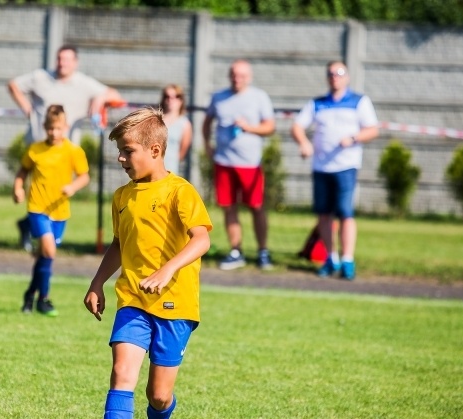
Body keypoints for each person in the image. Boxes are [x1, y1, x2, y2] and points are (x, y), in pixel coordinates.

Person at [84, 107, 212, 419]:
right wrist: (97, 282)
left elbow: (202, 239)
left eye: (127, 151)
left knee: (158, 394)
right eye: (120, 152)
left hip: (176, 306)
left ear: (155, 150)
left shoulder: (180, 191)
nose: (121, 159)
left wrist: (168, 269)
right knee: (122, 373)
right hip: (133, 301)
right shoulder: (122, 197)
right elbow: (120, 244)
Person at [8, 45, 121, 253]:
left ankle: (30, 228)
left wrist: (100, 99)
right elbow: (13, 85)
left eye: (67, 60)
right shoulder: (41, 77)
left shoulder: (84, 83)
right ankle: (41, 239)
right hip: (39, 147)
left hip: (65, 151)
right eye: (59, 59)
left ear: (75, 62)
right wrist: (28, 110)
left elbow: (115, 95)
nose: (62, 63)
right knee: (39, 195)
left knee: (54, 196)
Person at [291, 60, 379, 281]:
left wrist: (354, 138)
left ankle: (348, 260)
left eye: (340, 73)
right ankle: (331, 258)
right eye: (331, 73)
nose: (335, 77)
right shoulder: (317, 104)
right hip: (321, 167)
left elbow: (372, 129)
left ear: (347, 77)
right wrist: (304, 143)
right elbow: (297, 126)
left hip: (346, 167)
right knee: (324, 214)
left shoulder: (359, 101)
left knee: (345, 213)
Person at [14, 105, 90, 316]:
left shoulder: (73, 151)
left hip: (60, 212)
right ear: (44, 127)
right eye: (50, 129)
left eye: (58, 129)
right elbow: (22, 172)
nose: (54, 133)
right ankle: (44, 299)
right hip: (37, 207)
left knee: (44, 258)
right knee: (49, 251)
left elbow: (84, 176)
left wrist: (72, 187)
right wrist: (18, 188)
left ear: (65, 128)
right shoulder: (35, 149)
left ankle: (30, 295)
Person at [202, 59, 276, 271]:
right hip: (224, 161)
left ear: (249, 77)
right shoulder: (219, 97)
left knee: (256, 207)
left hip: (250, 164)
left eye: (242, 75)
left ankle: (263, 251)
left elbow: (270, 127)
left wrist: (249, 128)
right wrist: (208, 146)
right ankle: (236, 251)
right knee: (228, 207)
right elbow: (207, 122)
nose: (237, 79)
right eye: (234, 74)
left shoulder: (259, 97)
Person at [158, 84, 192, 176]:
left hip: (171, 169)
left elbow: (182, 152)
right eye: (167, 96)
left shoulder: (185, 124)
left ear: (181, 100)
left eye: (176, 96)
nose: (170, 100)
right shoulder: (156, 120)